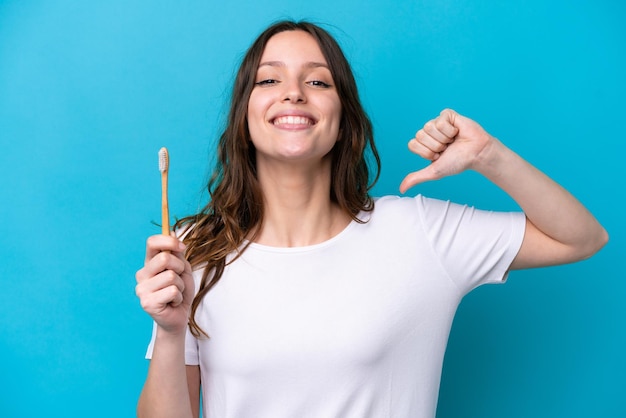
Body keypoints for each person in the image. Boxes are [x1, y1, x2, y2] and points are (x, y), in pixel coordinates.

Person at [134, 20, 608, 418]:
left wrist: (489, 155)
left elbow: (581, 238)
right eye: (269, 80)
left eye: (318, 81)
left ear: (344, 118)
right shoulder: (196, 246)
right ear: (244, 115)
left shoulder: (419, 234)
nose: (294, 94)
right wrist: (172, 333)